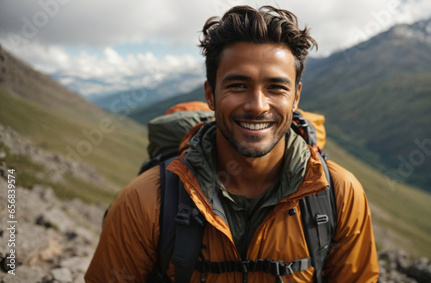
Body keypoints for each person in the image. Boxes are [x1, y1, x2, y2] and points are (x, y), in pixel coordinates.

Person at [85, 5, 379, 282]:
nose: (257, 106)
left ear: (296, 97)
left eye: (276, 87)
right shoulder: (145, 201)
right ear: (210, 94)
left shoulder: (339, 195)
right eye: (238, 85)